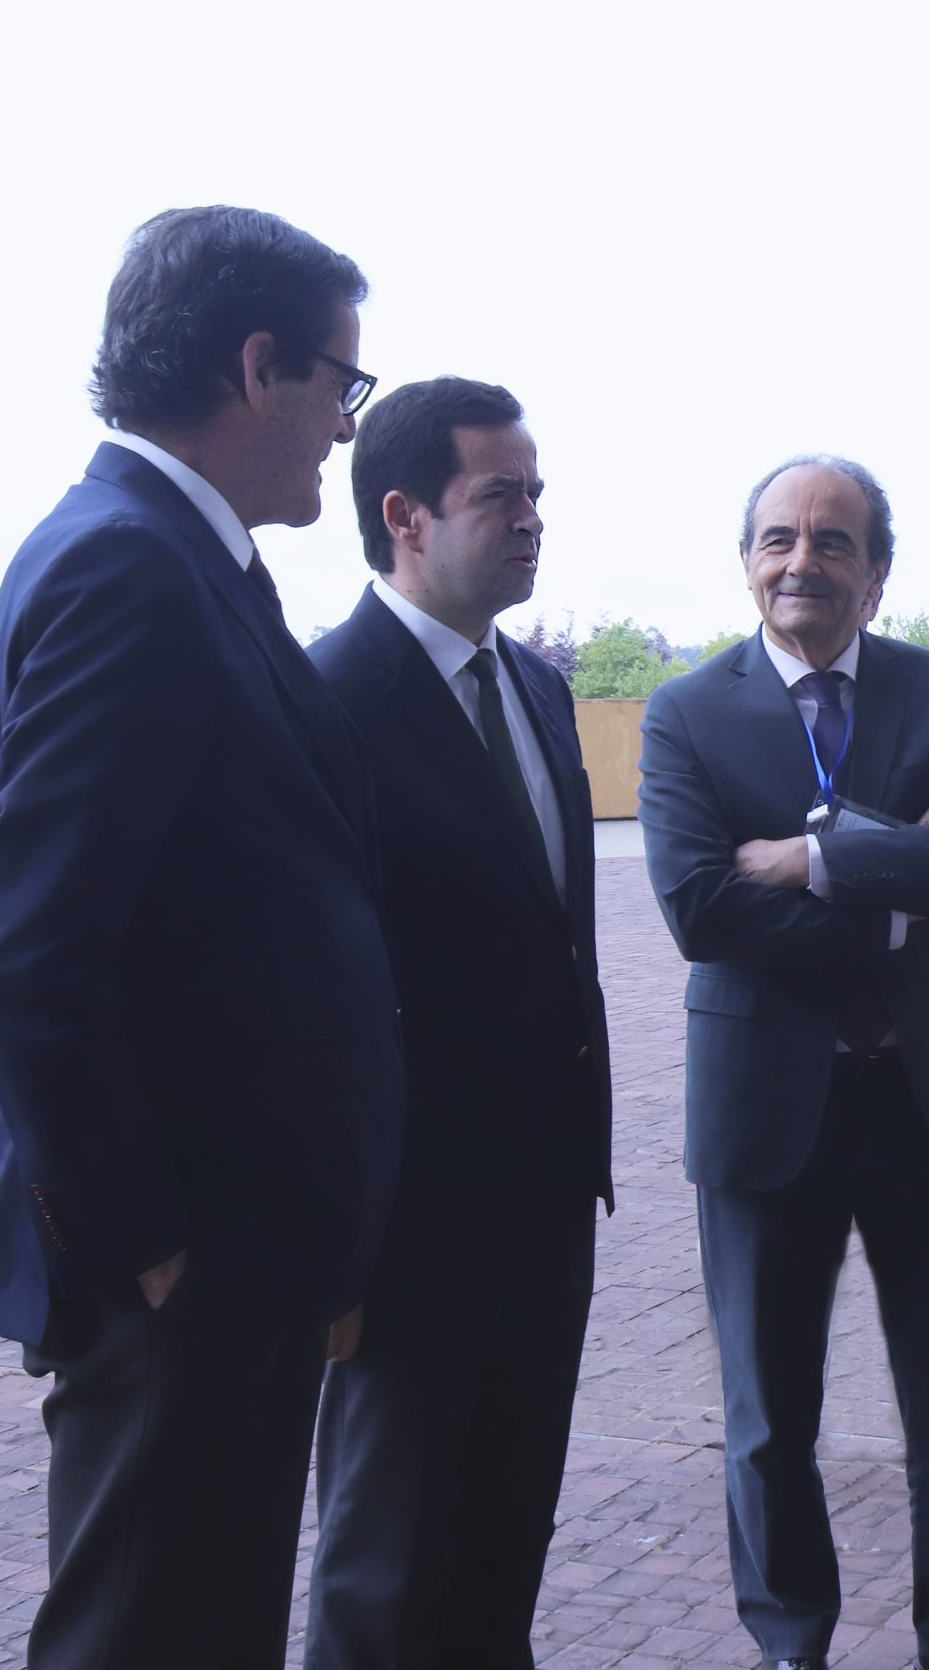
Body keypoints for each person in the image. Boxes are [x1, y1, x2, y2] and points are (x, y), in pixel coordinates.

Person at [0, 206, 401, 1669]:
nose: (348, 425)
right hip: (181, 1271)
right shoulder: (128, 566)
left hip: (233, 1257)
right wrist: (150, 1247)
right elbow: (28, 954)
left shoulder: (177, 557)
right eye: (343, 381)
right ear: (258, 367)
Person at [638, 455, 929, 1670]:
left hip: (927, 1101)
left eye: (832, 541)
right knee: (767, 1420)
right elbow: (701, 909)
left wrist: (809, 860)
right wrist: (904, 890)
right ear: (747, 562)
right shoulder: (685, 712)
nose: (801, 561)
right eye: (778, 539)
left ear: (877, 570)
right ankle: (789, 1644)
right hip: (765, 1114)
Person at [303, 378, 614, 1668]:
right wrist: (337, 1243)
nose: (532, 518)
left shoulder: (537, 689)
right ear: (405, 516)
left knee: (500, 1548)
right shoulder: (324, 700)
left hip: (545, 1201)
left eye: (537, 493)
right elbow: (311, 993)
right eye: (501, 495)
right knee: (385, 1568)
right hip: (406, 1225)